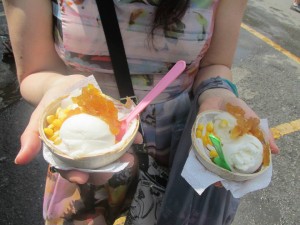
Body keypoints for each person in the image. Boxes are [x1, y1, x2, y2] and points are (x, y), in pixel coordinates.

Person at [3, 0, 279, 224]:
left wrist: (218, 91)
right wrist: (61, 87)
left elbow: (216, 63)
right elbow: (37, 70)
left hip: (175, 146)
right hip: (85, 150)